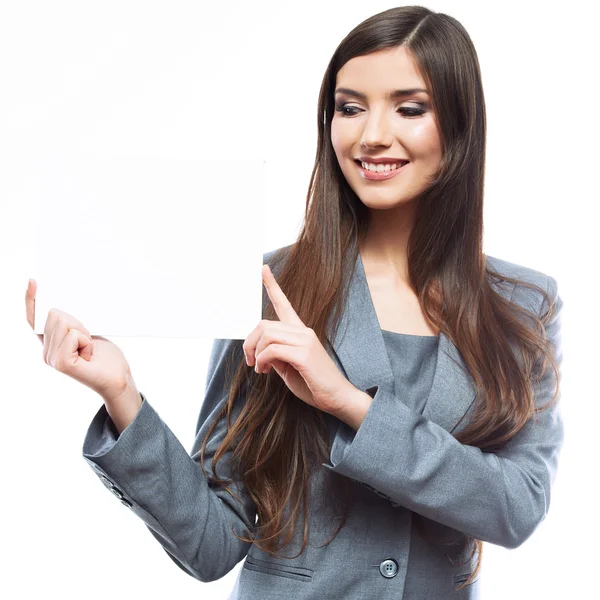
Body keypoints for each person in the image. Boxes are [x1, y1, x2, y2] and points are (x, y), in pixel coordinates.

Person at [25, 5, 564, 599]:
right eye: (349, 107)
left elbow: (517, 507)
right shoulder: (274, 286)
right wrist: (119, 390)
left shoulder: (522, 305)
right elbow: (213, 543)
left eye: (409, 108)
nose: (371, 134)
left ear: (460, 125)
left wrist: (351, 405)